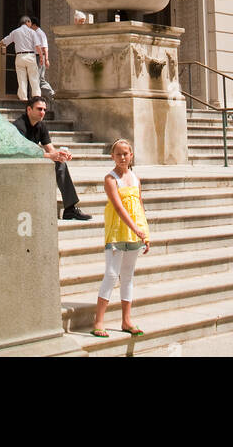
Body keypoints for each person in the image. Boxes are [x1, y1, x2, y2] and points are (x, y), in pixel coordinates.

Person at [92, 139, 150, 338]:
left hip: (134, 235)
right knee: (111, 274)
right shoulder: (110, 179)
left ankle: (126, 320)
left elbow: (140, 206)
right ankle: (99, 321)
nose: (123, 157)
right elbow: (118, 207)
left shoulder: (135, 179)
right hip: (117, 233)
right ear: (112, 156)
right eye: (118, 154)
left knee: (127, 277)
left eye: (126, 153)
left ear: (131, 155)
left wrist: (145, 233)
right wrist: (136, 228)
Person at [12, 98, 91, 220]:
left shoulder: (41, 125)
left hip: (32, 161)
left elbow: (50, 149)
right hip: (17, 164)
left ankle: (70, 209)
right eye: (39, 109)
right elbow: (24, 153)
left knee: (60, 164)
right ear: (29, 109)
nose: (42, 112)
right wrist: (51, 156)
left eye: (44, 110)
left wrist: (61, 155)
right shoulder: (19, 126)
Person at [0, 15, 41, 101]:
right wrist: (41, 56)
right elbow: (37, 46)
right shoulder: (32, 32)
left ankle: (23, 98)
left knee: (21, 79)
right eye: (30, 22)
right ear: (27, 22)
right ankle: (36, 97)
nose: (31, 24)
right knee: (34, 77)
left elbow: (4, 41)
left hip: (19, 57)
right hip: (30, 56)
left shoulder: (15, 32)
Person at [31, 16, 54, 102]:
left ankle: (51, 93)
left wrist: (46, 59)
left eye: (30, 25)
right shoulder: (35, 33)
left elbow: (45, 47)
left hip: (40, 57)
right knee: (36, 78)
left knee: (40, 78)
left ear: (34, 25)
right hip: (36, 57)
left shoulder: (40, 33)